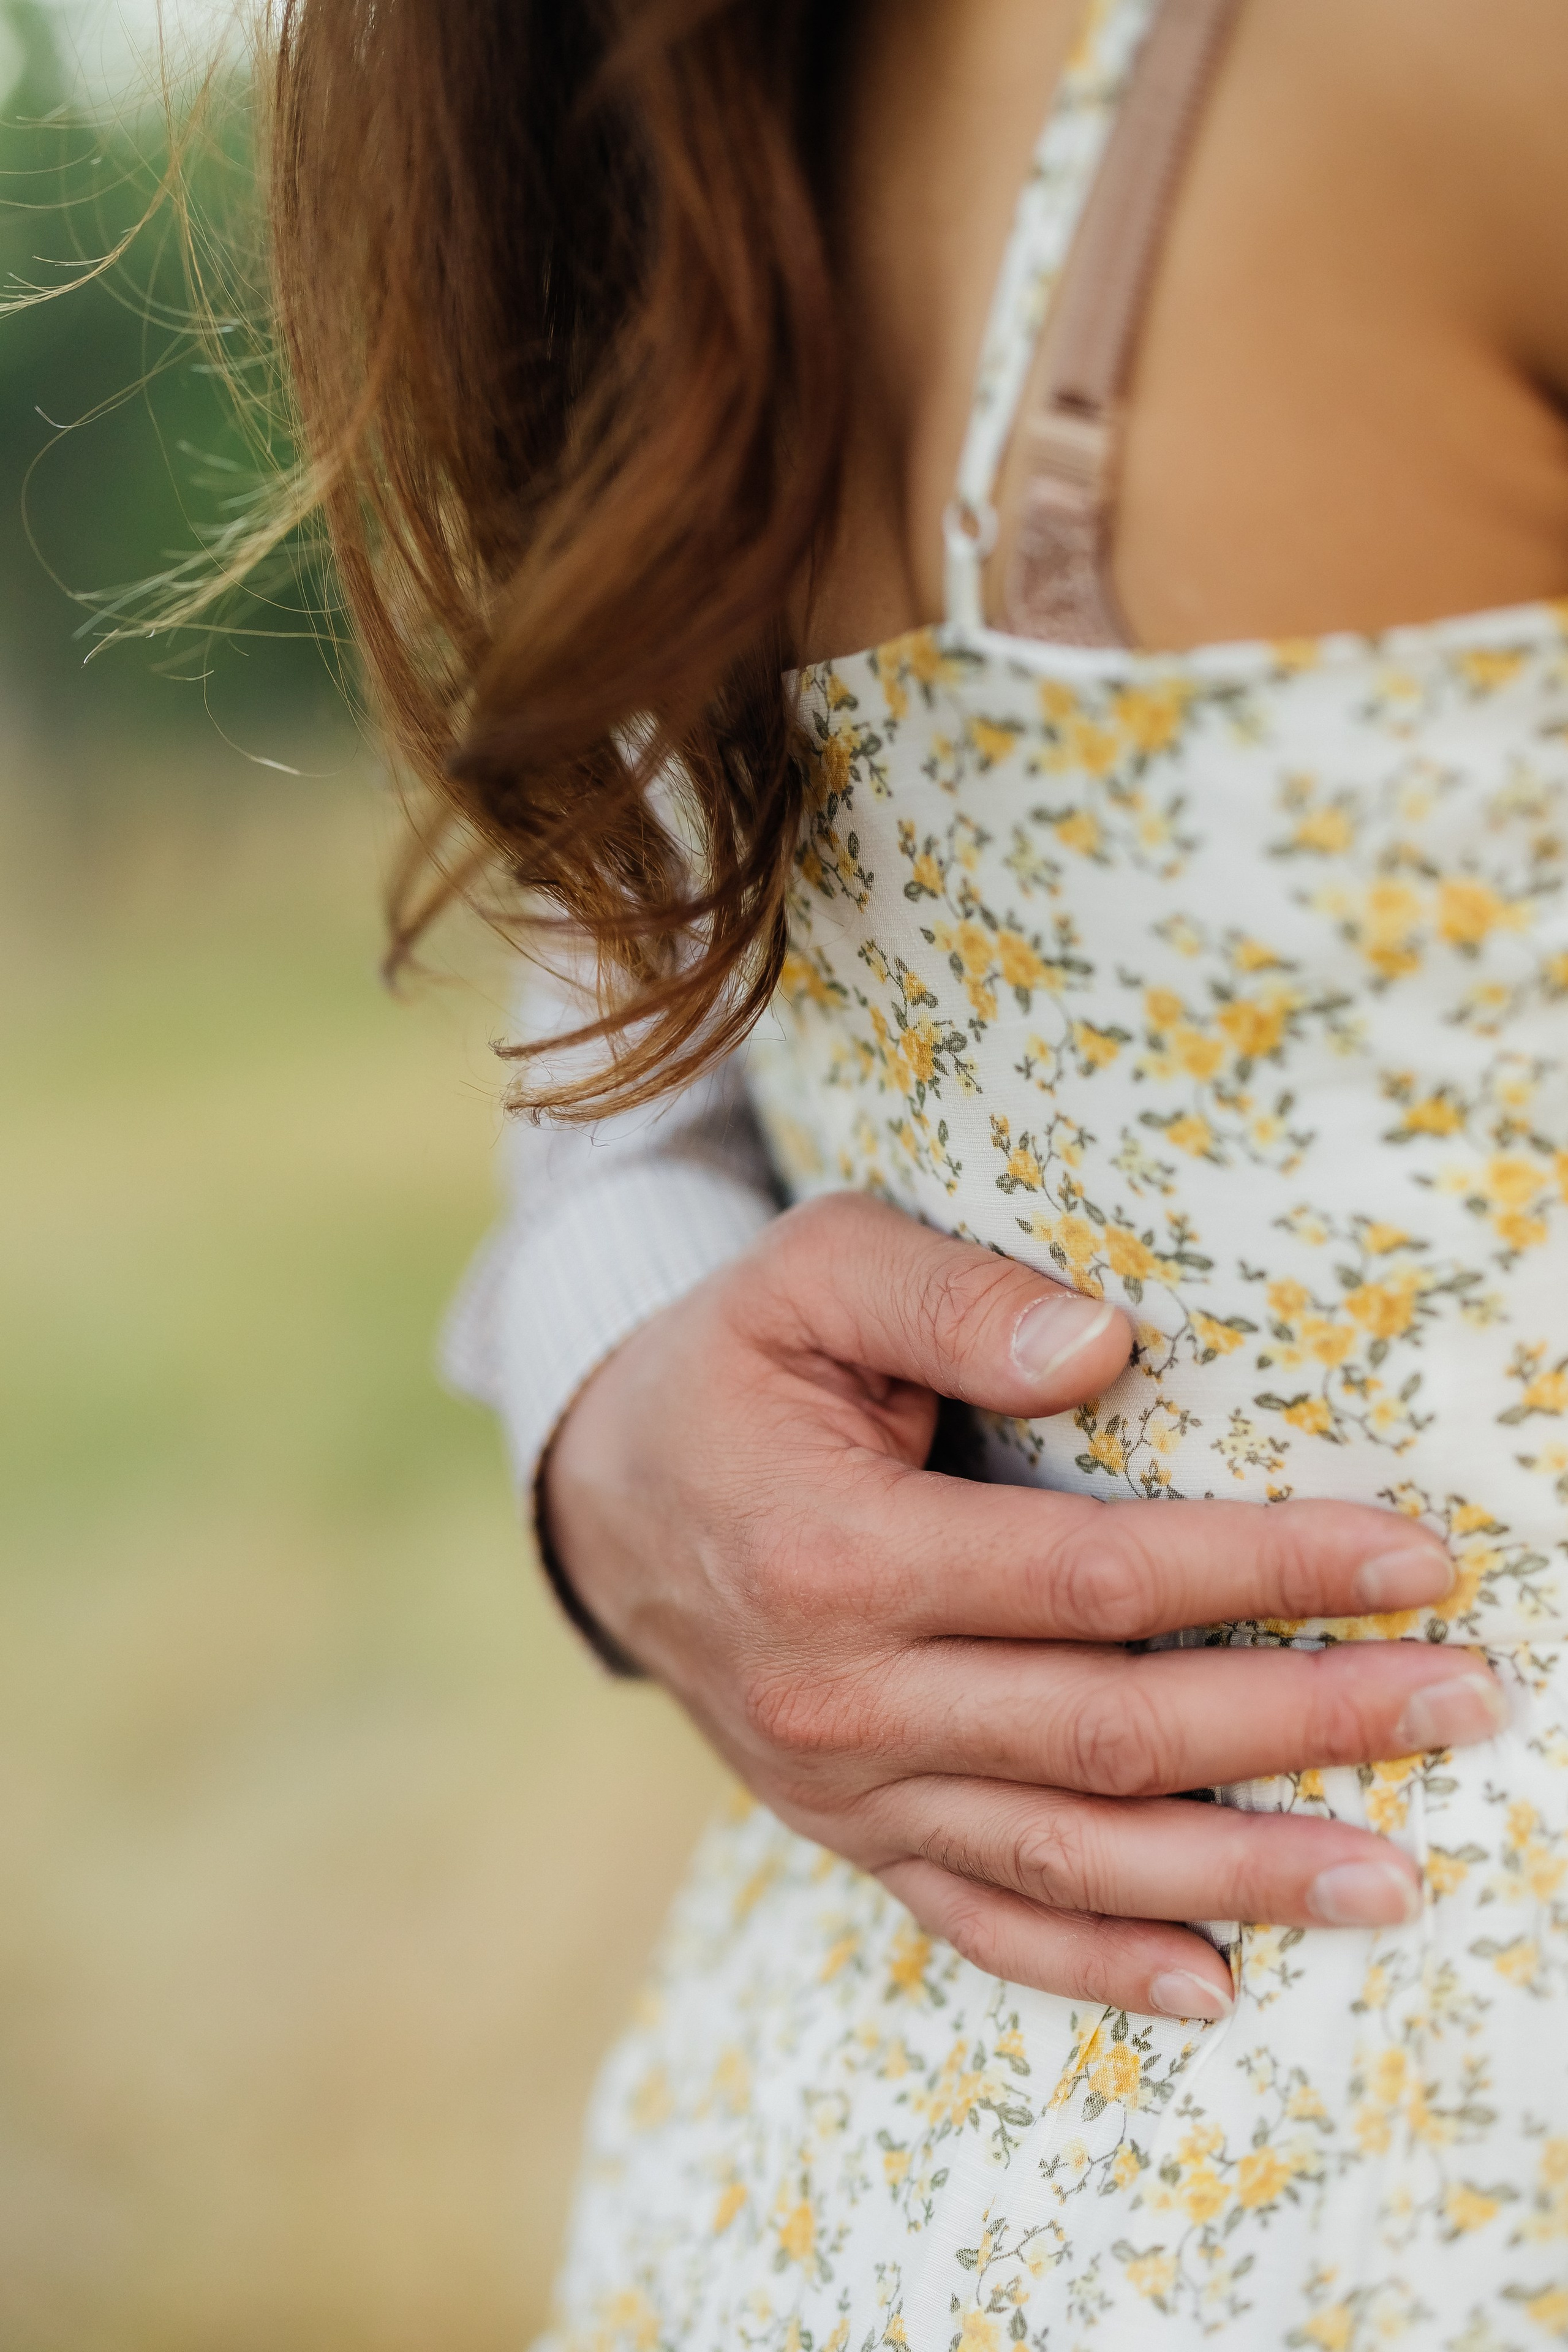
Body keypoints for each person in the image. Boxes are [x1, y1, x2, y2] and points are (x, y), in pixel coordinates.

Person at [266, 0, 1568, 2340]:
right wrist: (619, 1432)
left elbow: (619, 1092)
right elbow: (620, 1074)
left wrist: (603, 1383)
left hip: (865, 2205)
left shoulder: (674, 118)